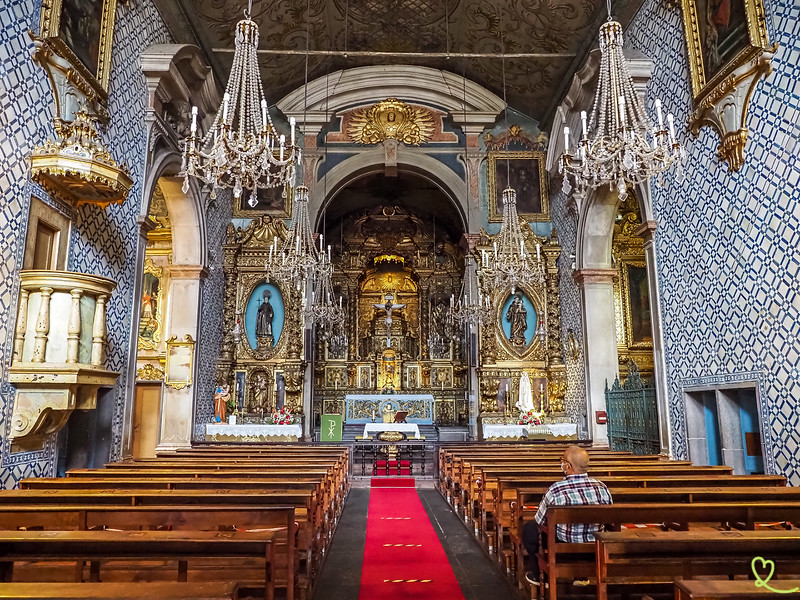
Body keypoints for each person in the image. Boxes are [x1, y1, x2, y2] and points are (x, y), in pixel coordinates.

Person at [522, 445, 612, 587]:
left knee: (530, 529)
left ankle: (539, 575)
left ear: (568, 466)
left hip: (563, 548)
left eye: (562, 460)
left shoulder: (556, 490)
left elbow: (540, 521)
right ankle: (581, 575)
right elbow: (609, 520)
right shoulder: (602, 488)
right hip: (593, 548)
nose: (561, 463)